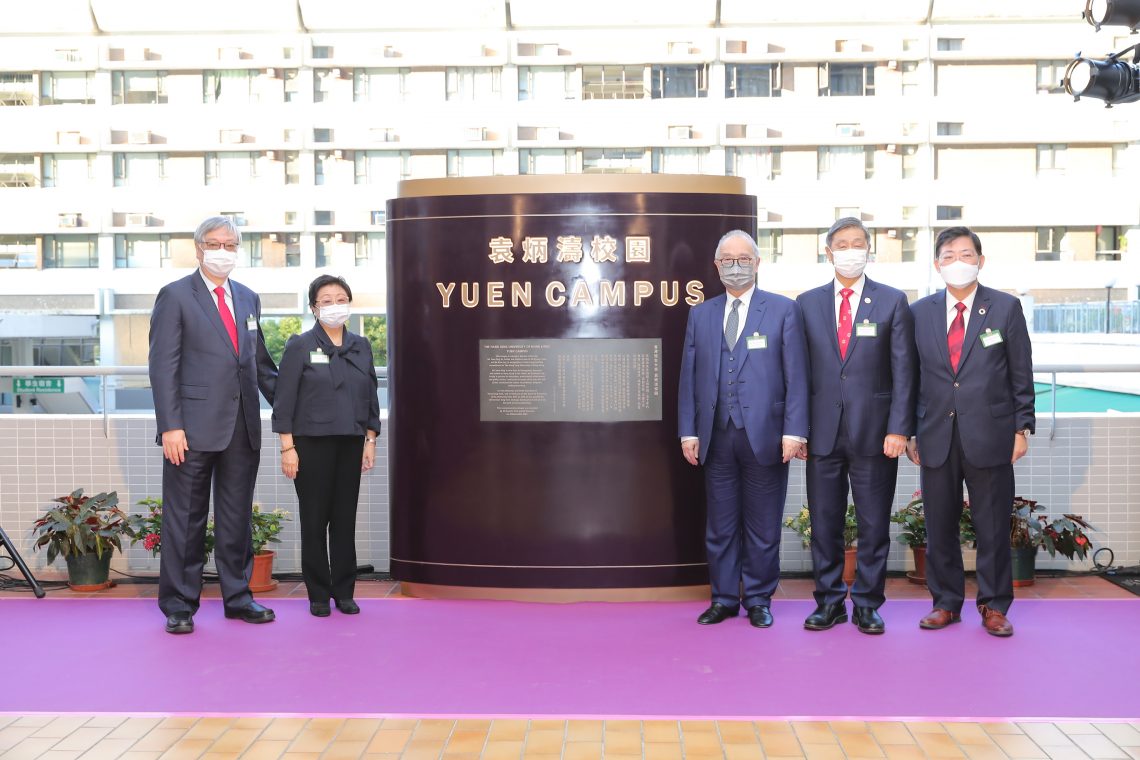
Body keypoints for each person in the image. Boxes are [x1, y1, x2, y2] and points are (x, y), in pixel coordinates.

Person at [149, 216, 278, 634]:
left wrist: (296, 411)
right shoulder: (175, 296)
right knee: (185, 518)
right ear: (199, 247)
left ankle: (238, 597)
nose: (223, 250)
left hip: (242, 428)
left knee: (236, 517)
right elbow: (162, 366)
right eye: (215, 243)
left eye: (231, 244)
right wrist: (171, 425)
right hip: (189, 430)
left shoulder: (248, 298)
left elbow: (259, 365)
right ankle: (180, 604)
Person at [907, 226, 1034, 637]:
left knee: (993, 525)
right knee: (939, 524)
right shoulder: (920, 312)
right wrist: (909, 431)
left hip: (992, 433)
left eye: (966, 254)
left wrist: (1022, 427)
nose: (957, 262)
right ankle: (946, 603)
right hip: (935, 434)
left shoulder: (1005, 307)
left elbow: (1021, 372)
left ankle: (994, 606)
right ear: (937, 264)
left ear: (981, 260)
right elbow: (909, 377)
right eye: (948, 255)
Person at [678, 229, 809, 628]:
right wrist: (688, 431)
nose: (736, 266)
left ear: (757, 263)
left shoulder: (784, 310)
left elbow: (797, 375)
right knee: (720, 524)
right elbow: (689, 375)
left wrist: (795, 431)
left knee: (762, 524)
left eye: (744, 258)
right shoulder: (701, 313)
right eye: (728, 259)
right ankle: (722, 598)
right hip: (716, 435)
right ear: (716, 266)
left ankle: (757, 598)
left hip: (767, 436)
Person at [796, 218, 916, 635]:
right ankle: (828, 602)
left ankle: (867, 603)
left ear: (869, 250)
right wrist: (797, 430)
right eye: (842, 244)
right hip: (821, 433)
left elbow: (905, 371)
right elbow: (798, 373)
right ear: (828, 253)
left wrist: (900, 428)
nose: (850, 250)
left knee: (873, 524)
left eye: (858, 243)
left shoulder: (892, 301)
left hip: (876, 433)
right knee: (824, 524)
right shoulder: (806, 303)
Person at [272, 275, 381, 617]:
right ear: (314, 308)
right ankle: (319, 593)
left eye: (340, 298)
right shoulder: (300, 345)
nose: (335, 305)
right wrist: (287, 448)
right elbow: (284, 400)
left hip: (351, 442)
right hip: (310, 445)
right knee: (315, 520)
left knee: (345, 519)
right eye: (327, 300)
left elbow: (371, 397)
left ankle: (344, 591)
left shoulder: (361, 345)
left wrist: (370, 440)